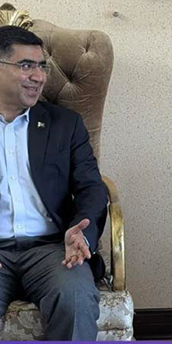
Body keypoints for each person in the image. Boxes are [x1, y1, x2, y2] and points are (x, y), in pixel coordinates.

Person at [0, 25, 108, 340]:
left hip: (52, 249)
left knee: (76, 298)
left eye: (42, 66)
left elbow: (91, 187)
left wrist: (82, 233)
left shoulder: (64, 124)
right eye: (26, 66)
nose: (39, 77)